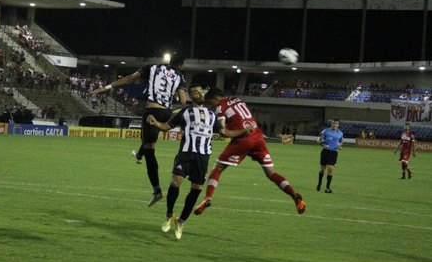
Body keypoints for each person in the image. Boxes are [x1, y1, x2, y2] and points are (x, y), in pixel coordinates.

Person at [147, 85, 251, 239]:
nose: (199, 93)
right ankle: (169, 214)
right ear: (191, 96)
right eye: (195, 92)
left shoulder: (212, 114)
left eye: (201, 91)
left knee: (196, 190)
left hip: (202, 157)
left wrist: (243, 131)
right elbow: (166, 127)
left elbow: (224, 132)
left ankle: (181, 221)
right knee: (175, 183)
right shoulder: (184, 112)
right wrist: (155, 122)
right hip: (185, 154)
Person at [92, 53, 187, 206]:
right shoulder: (180, 77)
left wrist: (107, 87)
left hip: (152, 110)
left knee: (150, 152)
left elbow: (130, 78)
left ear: (169, 61)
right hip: (167, 113)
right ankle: (139, 154)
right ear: (181, 65)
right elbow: (183, 101)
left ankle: (156, 190)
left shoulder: (152, 67)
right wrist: (172, 97)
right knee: (147, 140)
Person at [194, 87, 306, 215]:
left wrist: (236, 131)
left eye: (210, 103)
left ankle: (208, 198)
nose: (212, 106)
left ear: (215, 99)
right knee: (271, 173)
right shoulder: (236, 99)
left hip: (243, 139)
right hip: (258, 137)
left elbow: (224, 132)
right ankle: (294, 195)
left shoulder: (221, 106)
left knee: (218, 168)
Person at [315, 119, 343, 193]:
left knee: (330, 169)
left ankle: (327, 188)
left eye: (336, 123)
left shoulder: (340, 133)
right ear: (331, 123)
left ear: (338, 125)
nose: (334, 124)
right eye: (333, 123)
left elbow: (340, 141)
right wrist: (323, 145)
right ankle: (319, 183)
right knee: (322, 170)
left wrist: (340, 146)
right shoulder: (326, 131)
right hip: (325, 152)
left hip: (334, 153)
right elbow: (318, 140)